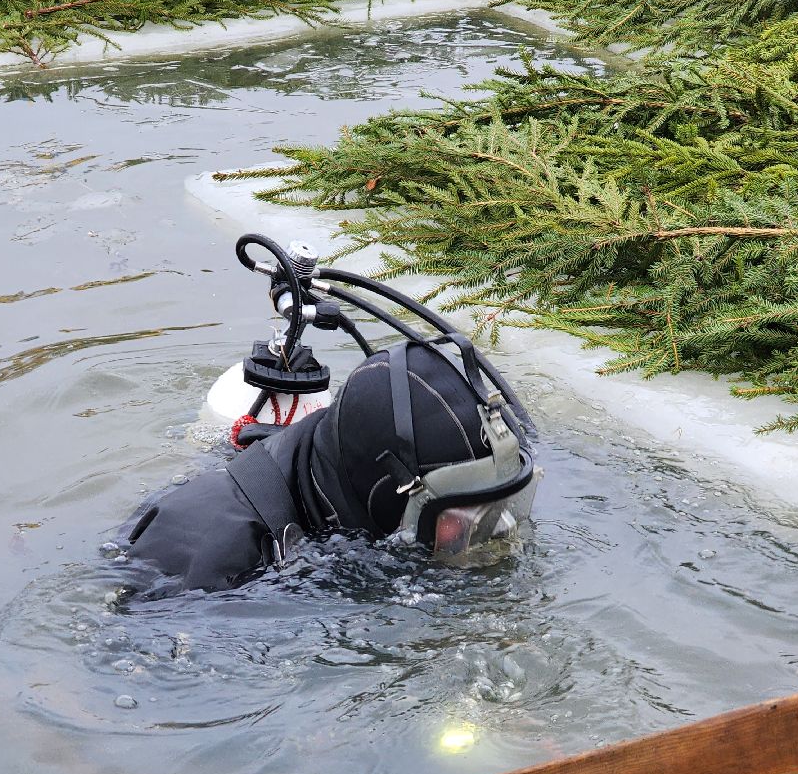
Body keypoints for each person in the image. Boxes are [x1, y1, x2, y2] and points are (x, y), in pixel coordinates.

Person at [122, 235, 542, 594]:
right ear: (386, 498)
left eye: (508, 504)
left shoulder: (348, 510)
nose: (500, 531)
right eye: (468, 519)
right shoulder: (207, 568)